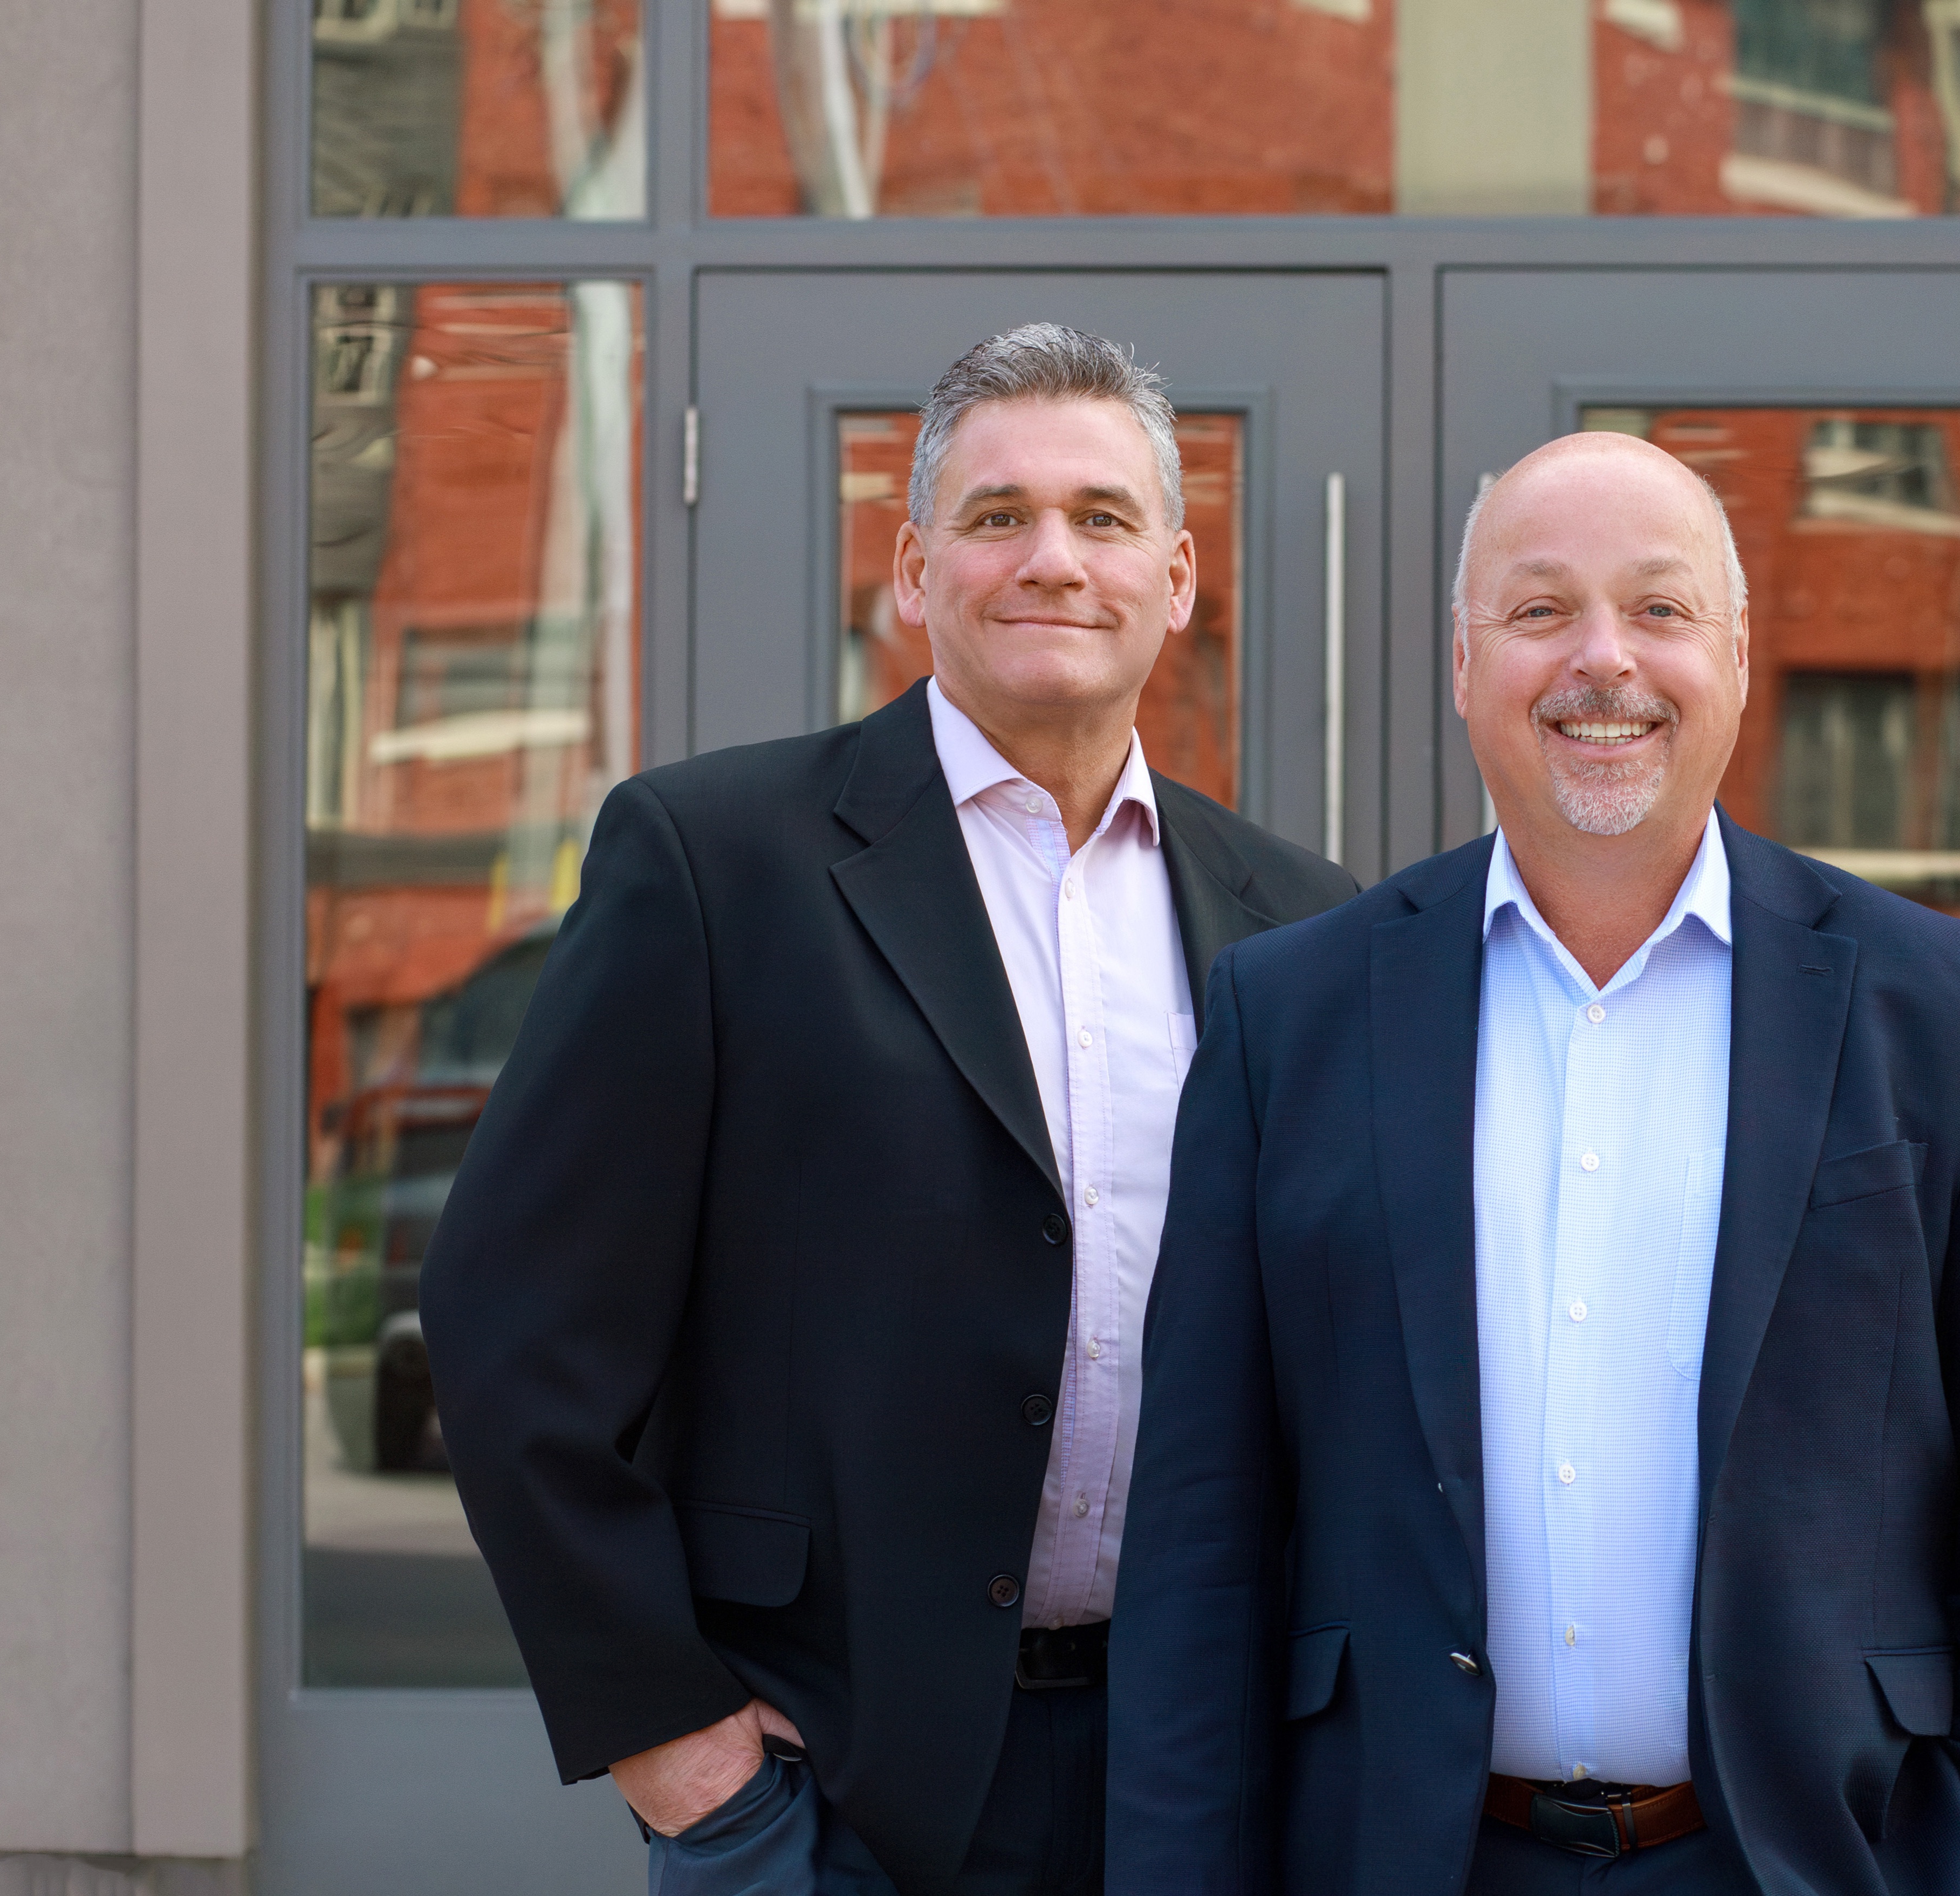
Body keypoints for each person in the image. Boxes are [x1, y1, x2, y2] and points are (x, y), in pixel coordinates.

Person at [1107, 430, 1960, 1896]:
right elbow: (1201, 1534)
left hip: (1814, 1862)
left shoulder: (1948, 1011)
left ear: (1733, 653)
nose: (1602, 660)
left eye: (1657, 610)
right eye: (1540, 611)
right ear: (1464, 664)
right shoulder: (1288, 1015)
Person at [424, 323, 1358, 1896]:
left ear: (1179, 578)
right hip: (830, 1786)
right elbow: (508, 1324)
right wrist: (677, 1745)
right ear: (917, 573)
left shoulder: (1293, 920)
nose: (1051, 557)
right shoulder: (715, 863)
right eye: (998, 517)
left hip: (1193, 1776)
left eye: (1102, 517)